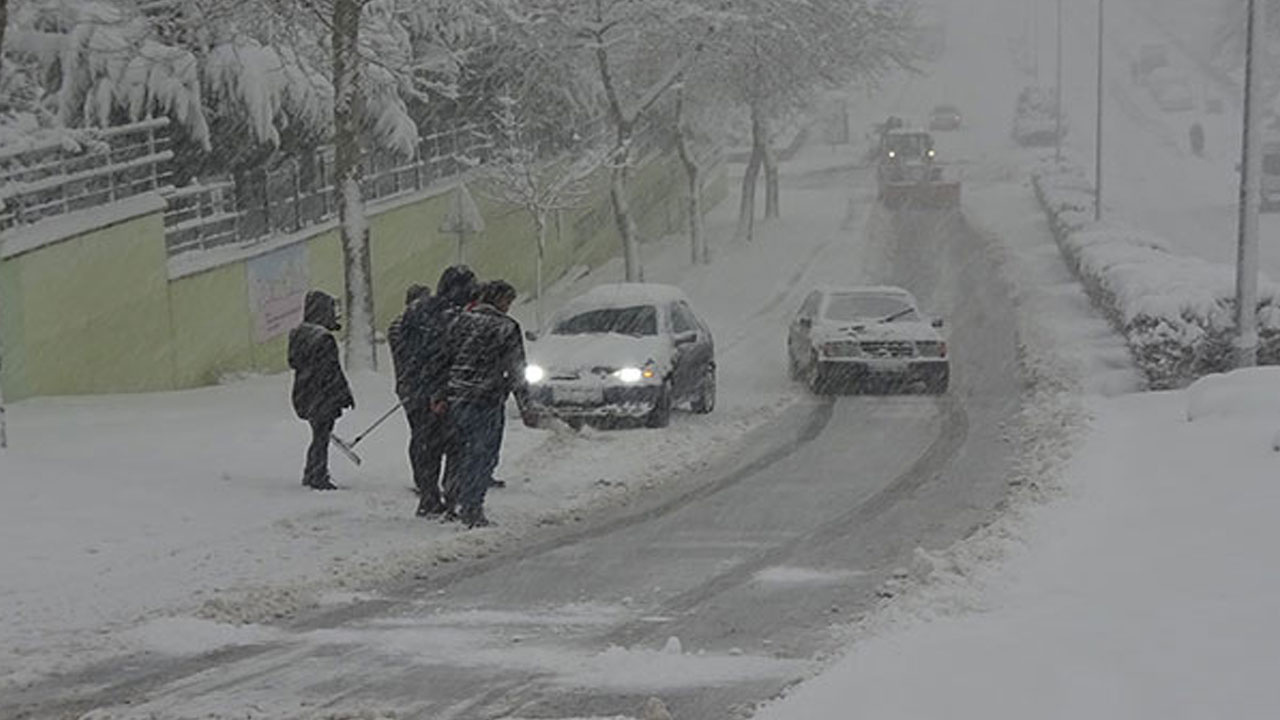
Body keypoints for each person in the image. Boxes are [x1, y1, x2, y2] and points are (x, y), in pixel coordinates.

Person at [439, 280, 528, 528]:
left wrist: (439, 394)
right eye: (508, 301)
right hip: (487, 399)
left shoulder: (459, 322)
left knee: (457, 451)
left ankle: (451, 501)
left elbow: (443, 360)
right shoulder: (506, 327)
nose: (509, 307)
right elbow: (517, 369)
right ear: (498, 300)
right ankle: (472, 507)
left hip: (457, 397)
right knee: (482, 454)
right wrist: (525, 404)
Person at [400, 265, 476, 517]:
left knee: (425, 446)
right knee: (455, 445)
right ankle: (451, 498)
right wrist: (440, 391)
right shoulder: (453, 317)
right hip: (444, 391)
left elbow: (407, 350)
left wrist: (412, 383)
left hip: (415, 390)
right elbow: (446, 357)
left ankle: (428, 497)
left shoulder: (415, 311)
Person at [287, 290, 354, 490]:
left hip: (303, 392)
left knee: (319, 434)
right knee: (321, 436)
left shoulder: (298, 333)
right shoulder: (323, 338)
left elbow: (295, 362)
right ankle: (317, 474)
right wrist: (344, 394)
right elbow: (331, 370)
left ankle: (314, 472)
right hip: (321, 394)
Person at [388, 283, 433, 503]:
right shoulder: (407, 326)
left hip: (407, 385)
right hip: (415, 386)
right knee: (422, 434)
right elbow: (415, 355)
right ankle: (422, 480)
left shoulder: (399, 324)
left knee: (420, 433)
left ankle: (422, 478)